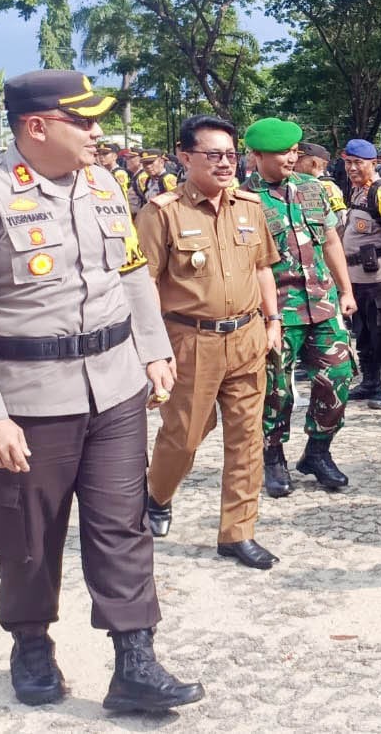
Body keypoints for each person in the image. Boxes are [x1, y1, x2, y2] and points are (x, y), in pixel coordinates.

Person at [0, 69, 203, 711]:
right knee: (28, 533)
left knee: (123, 524)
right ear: (36, 126)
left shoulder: (102, 184)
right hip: (28, 398)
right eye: (82, 120)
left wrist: (153, 348)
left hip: (114, 388)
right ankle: (31, 644)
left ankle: (135, 660)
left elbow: (131, 273)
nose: (96, 132)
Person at [136, 114, 281, 570]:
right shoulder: (162, 213)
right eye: (213, 154)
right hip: (191, 341)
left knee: (247, 438)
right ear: (185, 157)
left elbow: (262, 267)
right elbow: (144, 283)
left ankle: (238, 533)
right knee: (184, 436)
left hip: (247, 338)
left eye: (231, 155)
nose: (224, 163)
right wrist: (153, 350)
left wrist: (273, 320)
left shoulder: (250, 207)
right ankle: (157, 494)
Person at [242, 118, 359, 496]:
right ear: (257, 155)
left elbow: (330, 241)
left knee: (338, 375)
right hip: (276, 311)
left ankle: (318, 451)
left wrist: (346, 290)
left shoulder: (312, 188)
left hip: (322, 303)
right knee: (275, 389)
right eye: (282, 152)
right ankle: (272, 456)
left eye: (294, 150)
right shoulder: (243, 200)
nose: (291, 158)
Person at [339, 140, 381, 410]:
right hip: (357, 278)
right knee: (363, 333)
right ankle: (370, 381)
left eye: (358, 163)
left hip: (380, 278)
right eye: (348, 163)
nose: (352, 168)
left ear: (373, 163)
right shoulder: (357, 192)